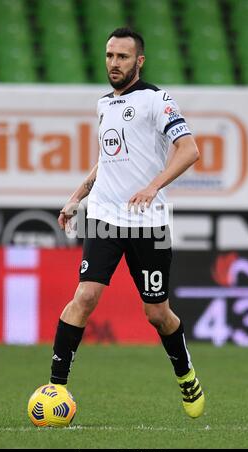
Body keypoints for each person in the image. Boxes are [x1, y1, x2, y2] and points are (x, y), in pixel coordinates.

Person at [50, 27, 205, 418]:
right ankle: (55, 389)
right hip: (104, 217)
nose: (113, 63)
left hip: (147, 222)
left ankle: (185, 372)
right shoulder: (103, 105)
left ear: (139, 61)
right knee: (84, 297)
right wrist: (77, 197)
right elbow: (107, 160)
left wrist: (153, 186)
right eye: (109, 56)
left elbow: (190, 150)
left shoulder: (157, 100)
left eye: (122, 57)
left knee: (156, 314)